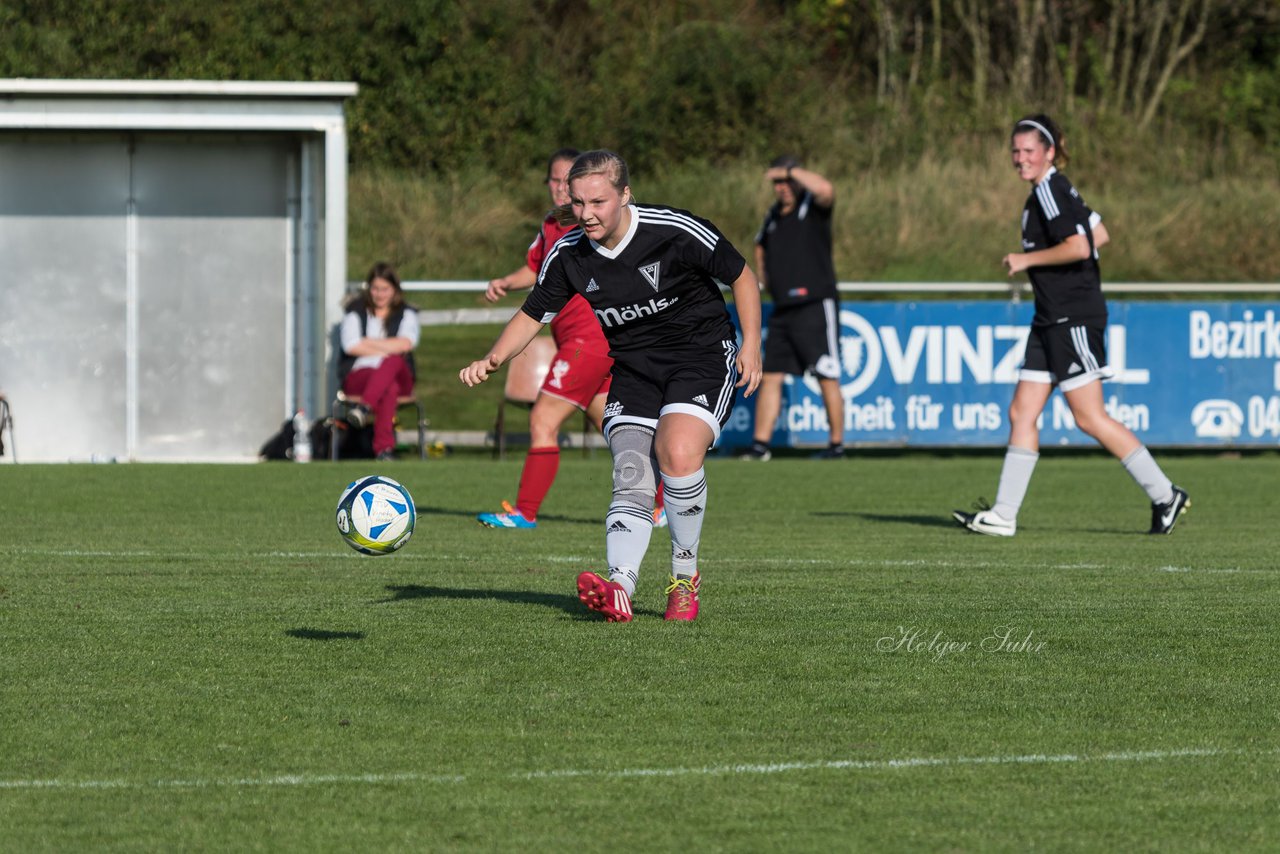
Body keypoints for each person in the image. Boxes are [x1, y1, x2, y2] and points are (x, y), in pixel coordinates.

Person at [460, 150, 762, 622]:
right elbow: (533, 313)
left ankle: (684, 578)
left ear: (625, 194)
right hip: (634, 371)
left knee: (678, 453)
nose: (587, 214)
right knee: (630, 470)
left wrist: (752, 344)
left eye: (598, 202)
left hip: (700, 358)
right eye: (578, 203)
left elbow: (742, 276)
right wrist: (492, 358)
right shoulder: (570, 254)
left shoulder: (675, 231)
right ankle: (619, 585)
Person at [953, 114, 1189, 536]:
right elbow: (1100, 233)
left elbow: (1081, 245)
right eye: (1015, 151)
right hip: (1049, 318)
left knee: (1089, 417)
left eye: (1028, 151)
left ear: (1048, 152)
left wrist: (1027, 260)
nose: (1020, 158)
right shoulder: (1058, 189)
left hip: (1071, 317)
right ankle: (1003, 516)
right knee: (1021, 411)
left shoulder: (1049, 191)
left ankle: (1165, 495)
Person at [476, 148, 666, 530]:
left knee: (543, 420)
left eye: (569, 181)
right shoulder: (552, 225)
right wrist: (505, 283)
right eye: (556, 180)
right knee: (618, 430)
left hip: (588, 341)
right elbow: (536, 269)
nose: (562, 189)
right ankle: (662, 503)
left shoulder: (589, 225)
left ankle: (524, 512)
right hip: (584, 344)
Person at [740, 156, 844, 461]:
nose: (783, 187)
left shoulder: (812, 207)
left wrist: (791, 171)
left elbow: (827, 189)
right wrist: (764, 275)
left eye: (787, 181)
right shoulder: (773, 215)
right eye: (778, 182)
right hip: (783, 306)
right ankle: (760, 445)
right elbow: (760, 244)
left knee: (826, 373)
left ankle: (836, 445)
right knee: (770, 375)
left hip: (814, 303)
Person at [338, 262, 420, 461]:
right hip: (361, 375)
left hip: (400, 376)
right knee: (388, 386)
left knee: (392, 362)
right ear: (369, 288)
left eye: (385, 289)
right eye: (375, 288)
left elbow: (406, 344)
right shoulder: (355, 311)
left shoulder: (406, 313)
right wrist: (389, 346)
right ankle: (384, 450)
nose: (380, 294)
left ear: (394, 290)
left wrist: (367, 343)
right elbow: (351, 345)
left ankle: (364, 409)